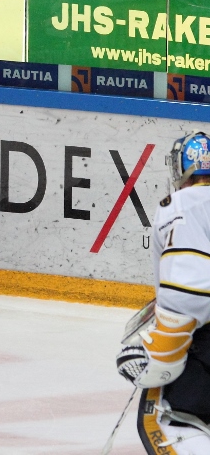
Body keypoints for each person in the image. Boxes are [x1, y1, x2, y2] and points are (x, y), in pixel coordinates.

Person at [115, 131, 210, 453]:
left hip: (203, 346)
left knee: (166, 423)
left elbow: (190, 289)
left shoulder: (182, 204)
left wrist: (162, 351)